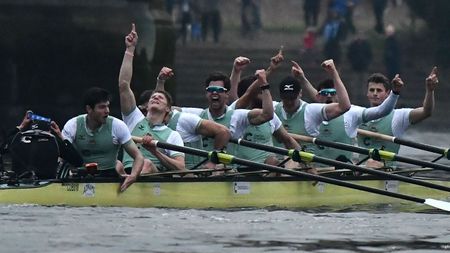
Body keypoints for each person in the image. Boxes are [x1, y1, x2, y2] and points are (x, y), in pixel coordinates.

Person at [119, 24, 231, 170]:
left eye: (160, 97)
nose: (155, 97)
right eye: (153, 96)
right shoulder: (133, 119)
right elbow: (123, 85)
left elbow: (180, 167)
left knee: (145, 163)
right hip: (126, 172)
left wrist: (155, 151)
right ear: (146, 106)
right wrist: (130, 49)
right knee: (115, 164)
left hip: (150, 175)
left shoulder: (172, 135)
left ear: (168, 109)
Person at [298, 74, 401, 164]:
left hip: (342, 171)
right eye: (325, 93)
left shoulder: (351, 113)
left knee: (372, 162)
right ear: (319, 96)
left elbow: (381, 111)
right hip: (313, 171)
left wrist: (395, 92)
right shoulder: (309, 111)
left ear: (340, 96)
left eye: (333, 93)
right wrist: (302, 79)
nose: (329, 96)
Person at [62, 87, 144, 192]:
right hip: (80, 175)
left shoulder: (117, 125)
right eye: (102, 107)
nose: (107, 111)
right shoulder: (73, 125)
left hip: (108, 176)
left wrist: (133, 176)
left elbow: (138, 157)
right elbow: (62, 155)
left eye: (107, 106)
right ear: (89, 109)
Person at [357, 68, 439, 168]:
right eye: (371, 90)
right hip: (359, 170)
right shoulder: (358, 114)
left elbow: (426, 112)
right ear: (367, 94)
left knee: (371, 162)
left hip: (387, 172)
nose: (375, 93)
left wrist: (430, 90)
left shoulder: (398, 116)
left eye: (379, 90)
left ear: (387, 94)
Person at [228, 55, 301, 165]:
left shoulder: (271, 114)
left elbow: (288, 141)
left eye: (264, 89)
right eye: (261, 89)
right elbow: (247, 92)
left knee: (276, 161)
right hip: (237, 170)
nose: (265, 92)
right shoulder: (236, 113)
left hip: (266, 171)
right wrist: (268, 72)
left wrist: (308, 164)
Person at [273, 59, 351, 157]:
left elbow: (344, 106)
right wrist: (270, 70)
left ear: (300, 94)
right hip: (277, 167)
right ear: (280, 96)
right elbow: (251, 96)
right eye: (286, 98)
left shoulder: (310, 111)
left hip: (304, 166)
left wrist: (333, 73)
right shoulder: (273, 109)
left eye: (292, 98)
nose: (289, 102)